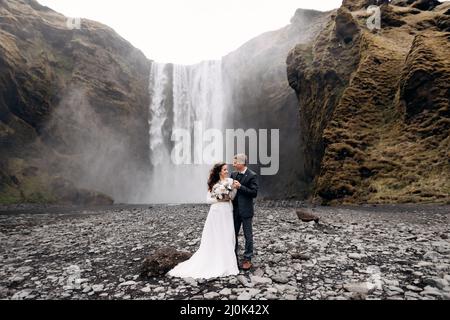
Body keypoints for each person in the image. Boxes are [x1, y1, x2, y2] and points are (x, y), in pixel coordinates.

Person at [166, 163, 239, 279]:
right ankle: (215, 260)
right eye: (224, 169)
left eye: (227, 169)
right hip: (216, 212)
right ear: (219, 171)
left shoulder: (230, 181)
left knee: (227, 235)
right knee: (215, 236)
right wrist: (219, 198)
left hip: (227, 211)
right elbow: (208, 200)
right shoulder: (213, 184)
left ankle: (228, 262)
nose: (226, 171)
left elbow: (233, 196)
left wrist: (232, 190)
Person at [231, 154, 259, 271]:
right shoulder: (233, 174)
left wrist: (241, 186)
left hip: (246, 210)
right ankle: (233, 256)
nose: (233, 164)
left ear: (242, 163)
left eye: (235, 162)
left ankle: (247, 258)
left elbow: (254, 193)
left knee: (248, 235)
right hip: (234, 210)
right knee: (233, 234)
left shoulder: (252, 175)